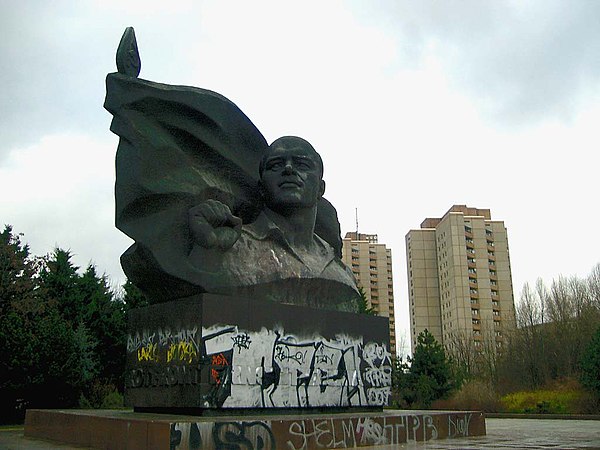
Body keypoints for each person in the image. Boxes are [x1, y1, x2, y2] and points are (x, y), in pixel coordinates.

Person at [187, 136, 359, 312]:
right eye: (276, 165)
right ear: (261, 188)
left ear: (321, 189)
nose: (289, 169)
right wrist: (205, 253)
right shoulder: (229, 248)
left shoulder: (343, 273)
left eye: (302, 164)